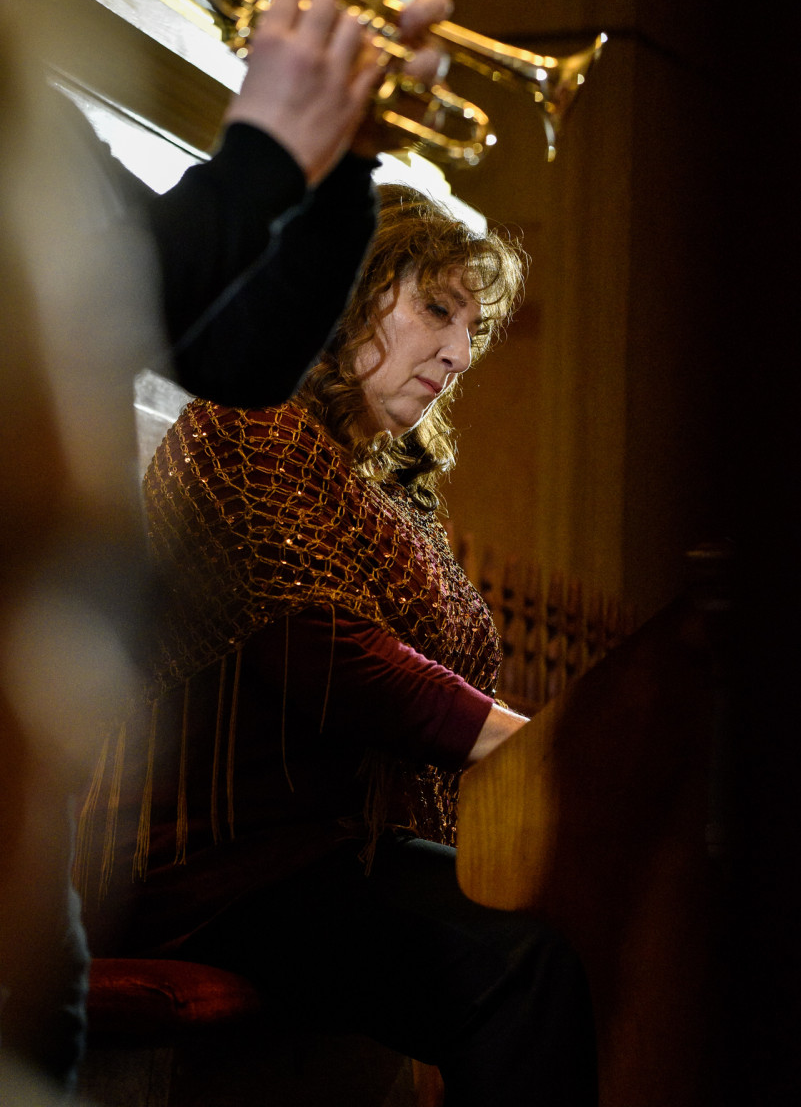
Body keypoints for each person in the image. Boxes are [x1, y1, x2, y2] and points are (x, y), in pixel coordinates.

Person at [0, 0, 453, 1093]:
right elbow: (124, 297)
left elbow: (240, 354)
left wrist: (344, 162)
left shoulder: (39, 119)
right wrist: (264, 143)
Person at [82, 184, 598, 1106]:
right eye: (435, 309)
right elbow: (329, 653)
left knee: (556, 931)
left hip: (328, 860)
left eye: (471, 330)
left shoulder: (390, 492)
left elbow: (438, 665)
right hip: (212, 876)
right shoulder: (244, 425)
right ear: (348, 294)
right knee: (517, 966)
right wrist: (537, 747)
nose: (456, 353)